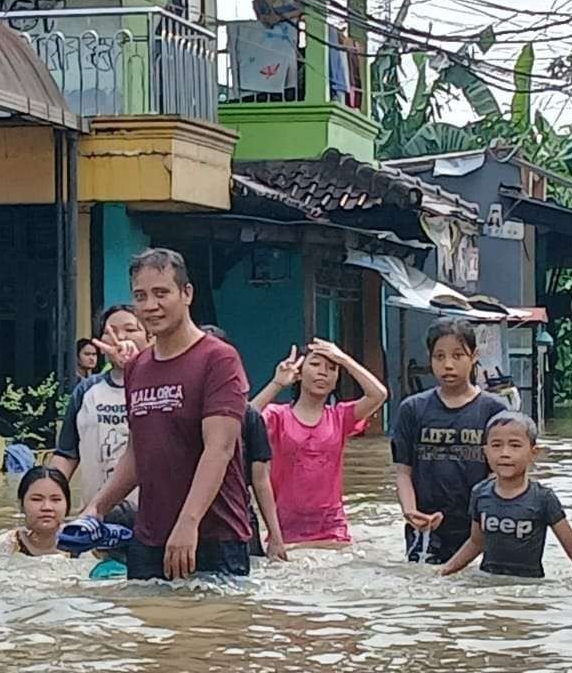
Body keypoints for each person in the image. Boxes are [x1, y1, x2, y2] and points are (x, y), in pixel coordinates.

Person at [81, 248, 252, 580]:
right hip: (150, 536)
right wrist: (96, 508)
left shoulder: (219, 359)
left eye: (161, 293)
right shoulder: (138, 368)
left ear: (186, 294)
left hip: (212, 537)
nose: (150, 306)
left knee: (215, 629)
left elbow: (219, 450)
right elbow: (136, 452)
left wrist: (188, 523)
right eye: (140, 296)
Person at [441, 412, 572, 582]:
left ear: (533, 453)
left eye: (515, 445)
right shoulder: (480, 493)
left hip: (529, 586)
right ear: (485, 451)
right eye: (496, 445)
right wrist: (445, 570)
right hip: (488, 582)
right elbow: (476, 542)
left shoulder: (543, 499)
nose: (504, 453)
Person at [392, 317, 510, 565]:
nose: (448, 365)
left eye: (458, 356)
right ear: (430, 358)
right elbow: (403, 471)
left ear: (474, 356)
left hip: (478, 527)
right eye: (439, 356)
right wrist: (410, 512)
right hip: (425, 528)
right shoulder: (412, 409)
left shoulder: (494, 410)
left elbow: (501, 473)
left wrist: (489, 515)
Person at [251, 338, 388, 549]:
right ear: (299, 373)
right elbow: (244, 420)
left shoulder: (340, 417)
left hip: (332, 531)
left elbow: (378, 394)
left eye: (331, 368)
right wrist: (277, 383)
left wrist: (344, 359)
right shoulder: (277, 417)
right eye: (315, 364)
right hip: (284, 532)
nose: (323, 372)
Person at [201, 325, 288, 563]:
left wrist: (275, 535)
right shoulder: (178, 410)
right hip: (187, 520)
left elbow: (261, 481)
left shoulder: (249, 417)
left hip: (236, 521)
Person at [54, 304, 147, 511]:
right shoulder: (86, 391)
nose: (120, 337)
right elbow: (66, 454)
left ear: (150, 337)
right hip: (96, 517)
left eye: (131, 330)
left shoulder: (161, 386)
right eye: (109, 332)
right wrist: (49, 494)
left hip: (150, 518)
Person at [253, 0, 306, 99]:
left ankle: (289, 92)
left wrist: (280, 17)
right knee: (269, 62)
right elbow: (257, 3)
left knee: (289, 63)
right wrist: (263, 17)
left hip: (288, 30)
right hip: (268, 31)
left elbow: (303, 8)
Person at [0, 466, 73, 557]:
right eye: (36, 499)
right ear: (21, 504)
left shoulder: (82, 546)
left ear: (68, 504)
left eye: (56, 499)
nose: (46, 507)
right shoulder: (3, 545)